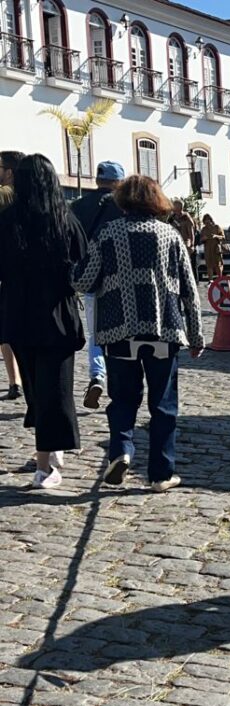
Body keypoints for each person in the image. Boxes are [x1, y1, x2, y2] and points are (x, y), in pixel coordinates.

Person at [74, 176, 204, 493]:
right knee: (163, 404)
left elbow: (84, 282)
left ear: (123, 200)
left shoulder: (107, 234)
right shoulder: (170, 235)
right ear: (157, 201)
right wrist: (197, 336)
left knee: (123, 399)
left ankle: (121, 451)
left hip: (119, 333)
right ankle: (161, 473)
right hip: (164, 331)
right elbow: (190, 291)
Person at [0, 154, 87, 489]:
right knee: (57, 389)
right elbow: (83, 264)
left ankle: (49, 454)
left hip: (19, 313)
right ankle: (47, 462)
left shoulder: (8, 220)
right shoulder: (65, 220)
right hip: (57, 314)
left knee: (38, 390)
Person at [70, 160, 125, 410]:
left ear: (97, 180)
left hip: (90, 278)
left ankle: (97, 375)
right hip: (121, 278)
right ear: (118, 182)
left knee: (95, 334)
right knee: (121, 333)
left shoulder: (79, 206)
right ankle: (118, 381)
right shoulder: (125, 206)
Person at [0, 151, 24, 401]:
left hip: (6, 269)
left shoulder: (5, 194)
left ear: (9, 171)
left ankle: (14, 380)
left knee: (5, 330)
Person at [171, 200, 197, 269]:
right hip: (174, 243)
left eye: (175, 206)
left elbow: (191, 233)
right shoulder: (171, 218)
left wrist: (192, 245)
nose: (173, 208)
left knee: (185, 263)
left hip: (185, 243)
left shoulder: (186, 218)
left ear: (180, 207)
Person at [200, 214, 225, 282]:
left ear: (211, 220)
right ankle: (210, 280)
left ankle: (220, 279)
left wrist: (216, 236)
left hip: (216, 248)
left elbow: (223, 237)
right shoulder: (203, 229)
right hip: (208, 249)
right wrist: (203, 238)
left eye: (208, 219)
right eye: (205, 220)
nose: (207, 221)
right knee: (209, 265)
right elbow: (200, 240)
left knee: (218, 264)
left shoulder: (217, 227)